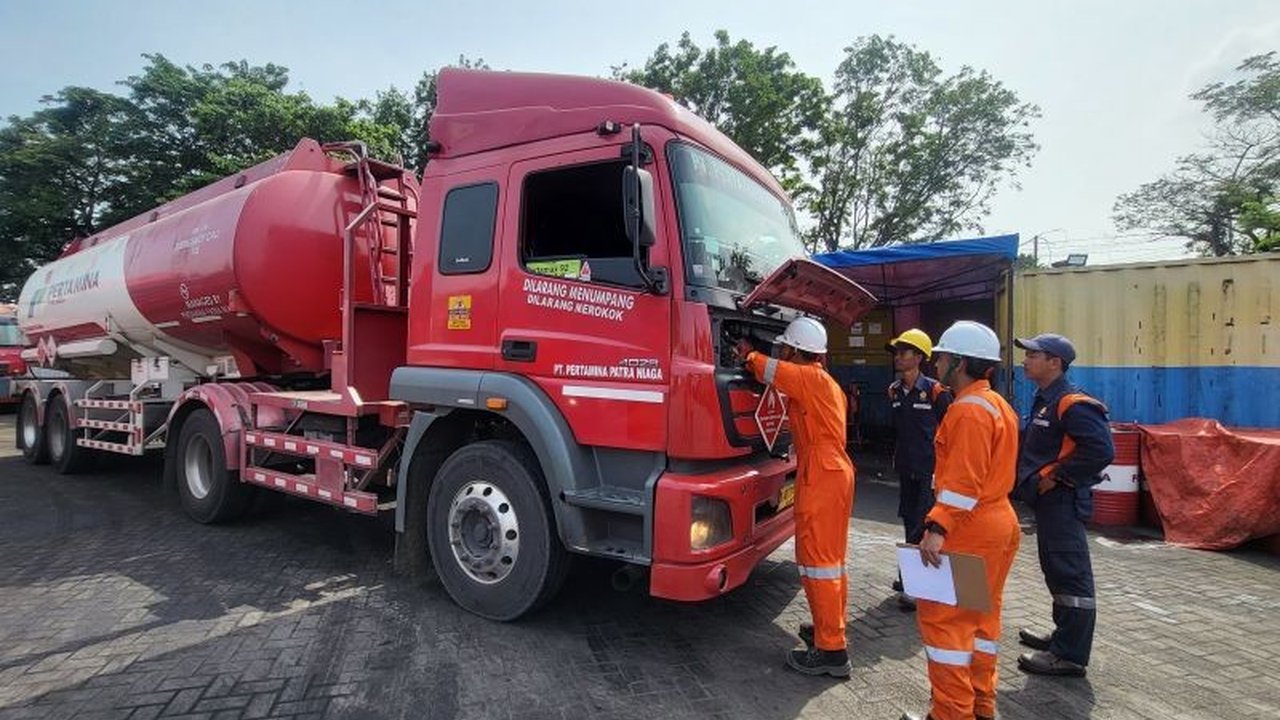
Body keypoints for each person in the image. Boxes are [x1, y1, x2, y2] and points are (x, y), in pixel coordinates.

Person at [902, 321, 1020, 720]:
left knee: (947, 626)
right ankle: (981, 706)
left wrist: (936, 529)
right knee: (981, 623)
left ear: (961, 363)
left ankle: (951, 714)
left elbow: (963, 484)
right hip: (998, 523)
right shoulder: (997, 405)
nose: (937, 363)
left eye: (943, 357)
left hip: (969, 528)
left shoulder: (967, 411)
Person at [734, 317, 855, 679]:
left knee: (819, 562)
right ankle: (827, 630)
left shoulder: (811, 378)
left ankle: (831, 651)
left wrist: (747, 352)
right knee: (828, 561)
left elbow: (766, 368)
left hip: (823, 472)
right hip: (828, 470)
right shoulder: (823, 381)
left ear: (795, 350)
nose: (781, 351)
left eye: (785, 347)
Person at [1013, 333, 1115, 678]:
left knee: (1071, 574)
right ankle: (1063, 637)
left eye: (1033, 354)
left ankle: (1069, 655)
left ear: (1055, 362)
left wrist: (1056, 476)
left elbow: (1101, 451)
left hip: (1063, 501)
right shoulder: (1046, 399)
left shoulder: (1073, 403)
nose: (1025, 360)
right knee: (1055, 569)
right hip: (1048, 502)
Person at [886, 329, 953, 610]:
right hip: (906, 469)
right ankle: (910, 576)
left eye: (904, 352)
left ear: (920, 357)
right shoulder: (893, 391)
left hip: (930, 472)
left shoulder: (937, 392)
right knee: (908, 519)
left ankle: (917, 586)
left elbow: (951, 433)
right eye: (897, 353)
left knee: (922, 524)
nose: (898, 357)